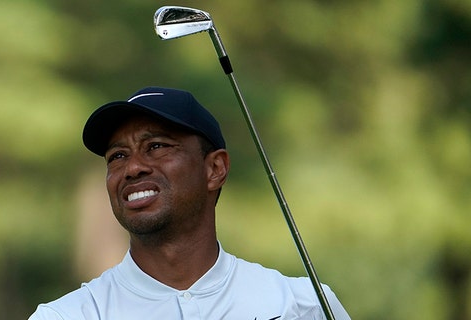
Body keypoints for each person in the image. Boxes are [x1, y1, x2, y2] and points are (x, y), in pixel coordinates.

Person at [28, 87, 350, 319]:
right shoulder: (66, 316)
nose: (133, 167)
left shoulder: (304, 304)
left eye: (156, 146)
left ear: (215, 169)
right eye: (118, 156)